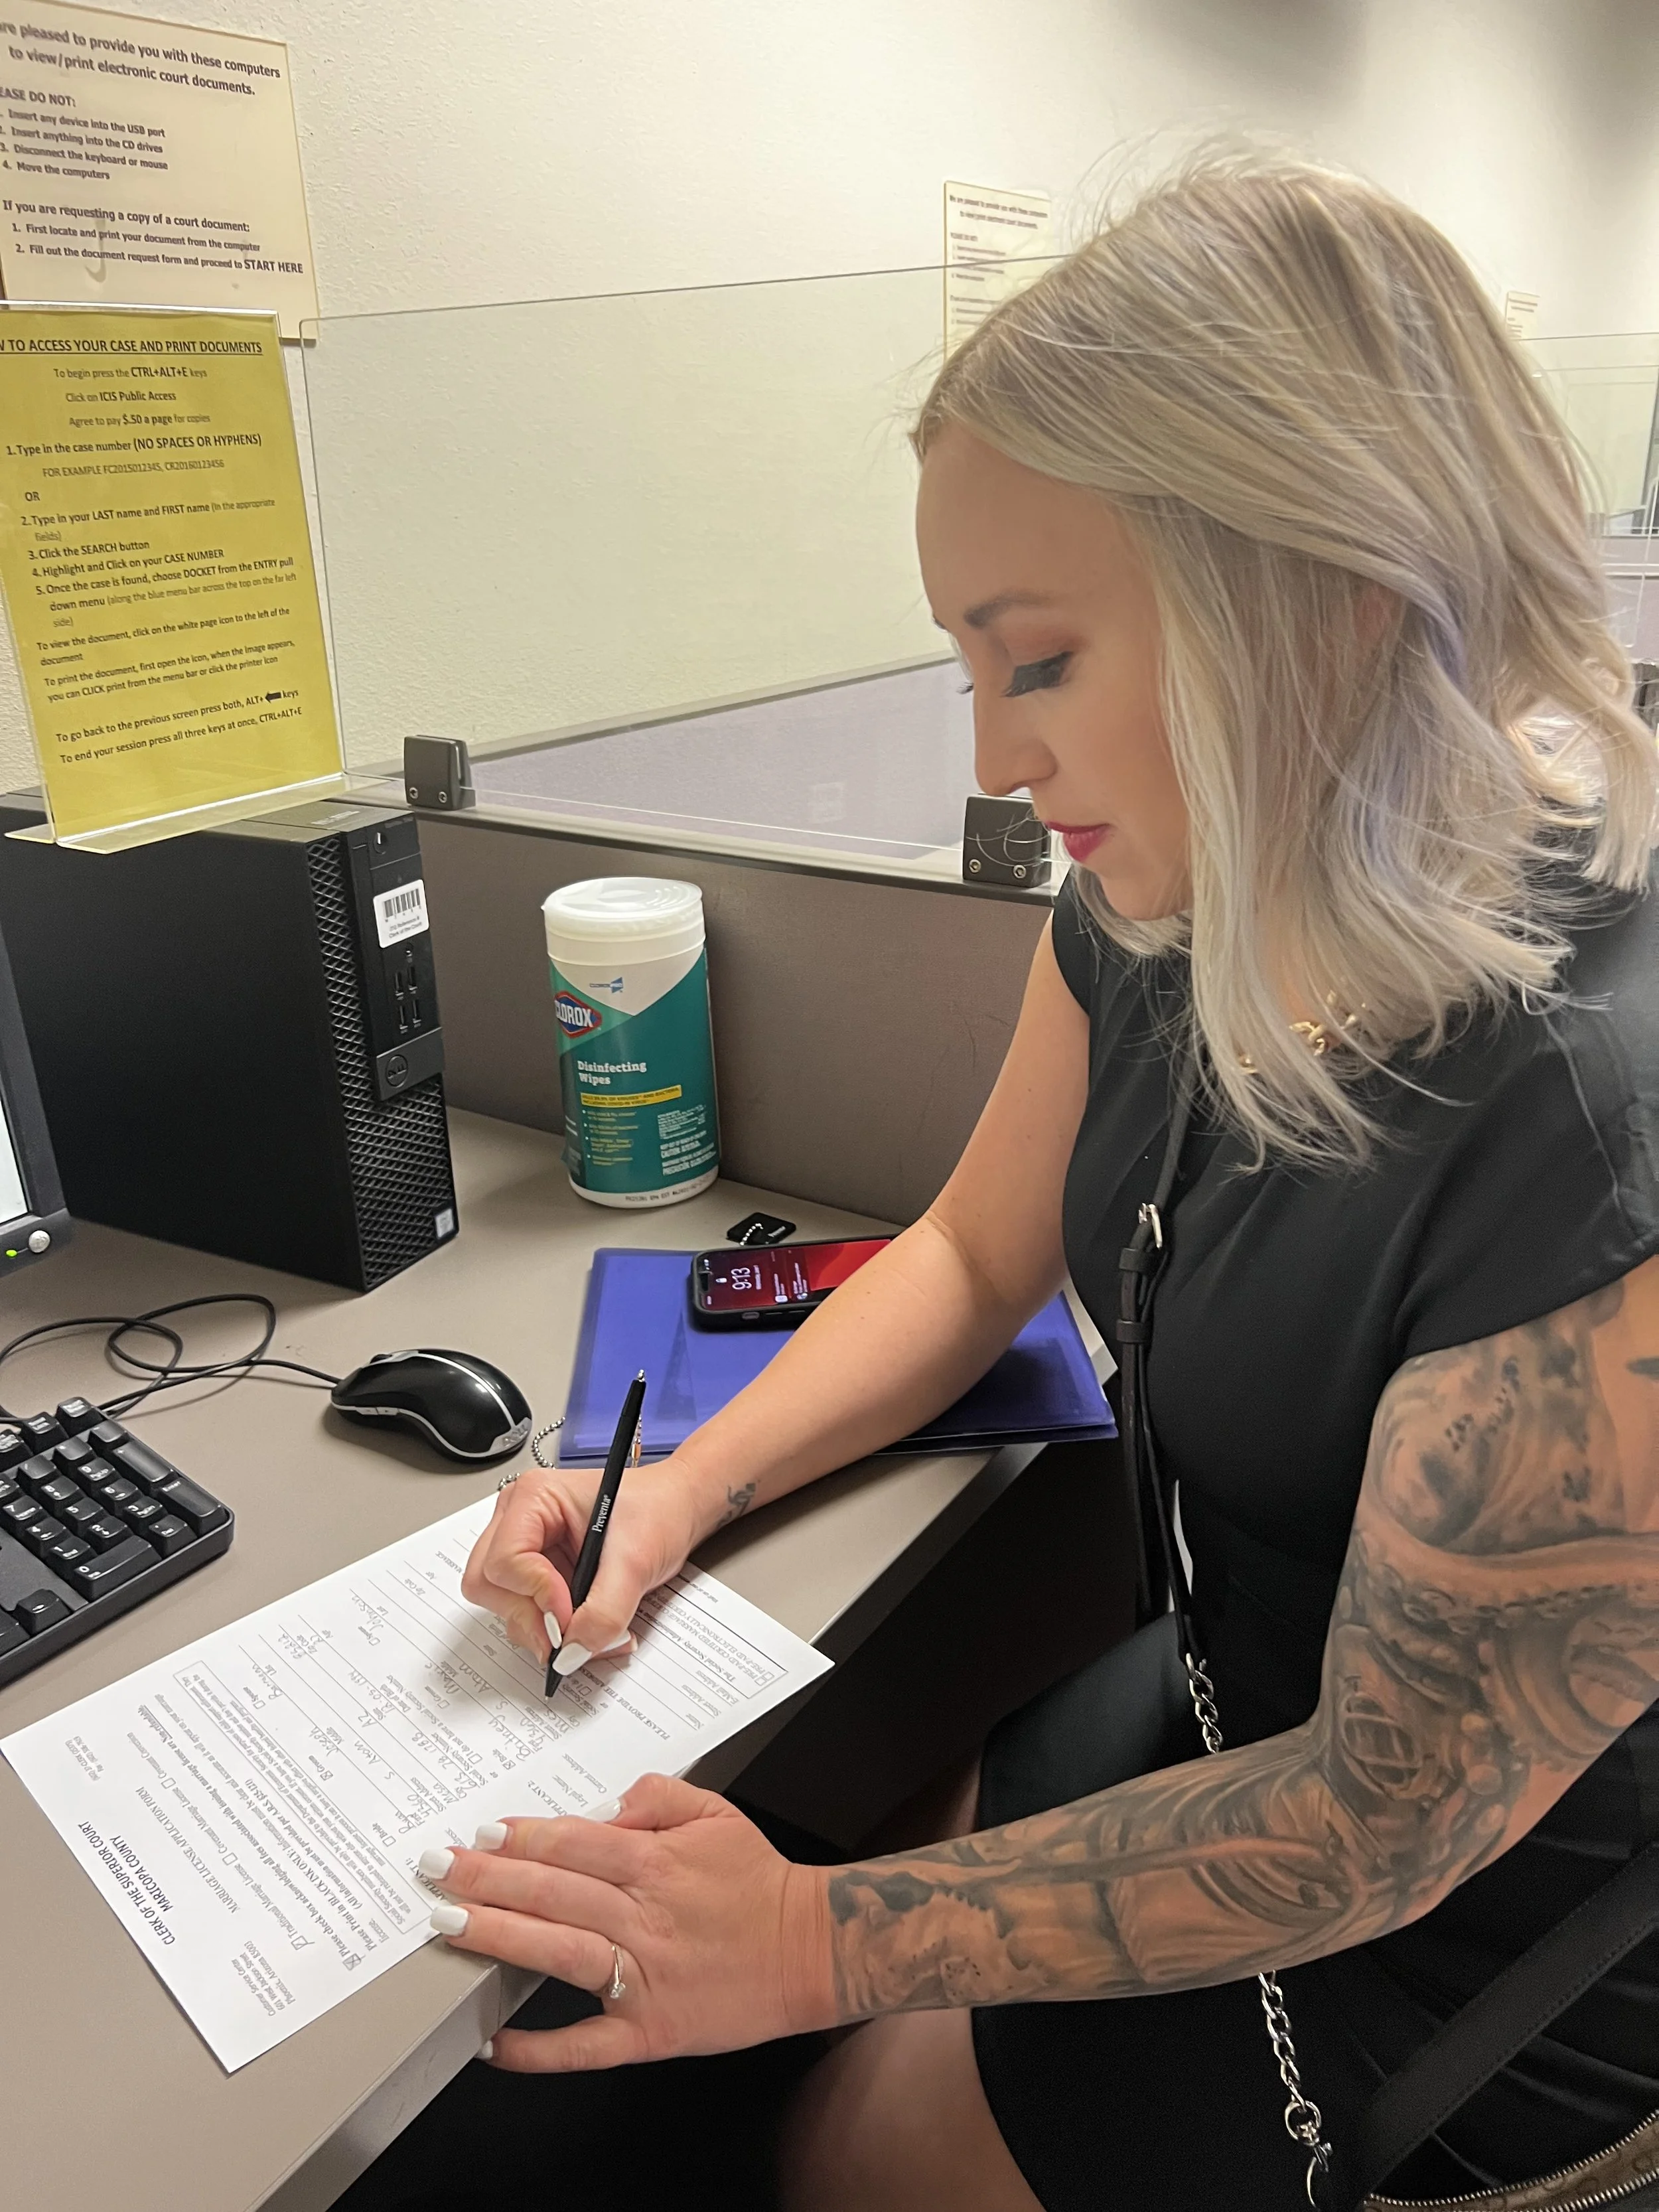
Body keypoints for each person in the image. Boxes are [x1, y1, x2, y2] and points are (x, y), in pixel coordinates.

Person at [435, 154, 1659, 2209]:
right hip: (1220, 1686)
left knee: (832, 2131)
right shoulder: (1166, 896)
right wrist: (683, 1487)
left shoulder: (1589, 1119)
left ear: (1327, 601)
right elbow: (977, 1250)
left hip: (1471, 1931)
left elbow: (1381, 1821)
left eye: (1039, 661)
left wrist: (814, 1944)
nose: (996, 761)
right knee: (827, 1937)